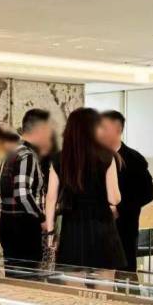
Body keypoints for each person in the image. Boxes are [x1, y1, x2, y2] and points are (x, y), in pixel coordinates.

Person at [44, 108, 126, 269]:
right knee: (104, 281)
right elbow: (114, 198)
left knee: (73, 280)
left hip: (72, 227)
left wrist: (50, 232)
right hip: (102, 226)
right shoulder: (107, 156)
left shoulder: (59, 158)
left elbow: (51, 198)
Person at [99, 110, 153, 270]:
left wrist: (120, 209)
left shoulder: (134, 159)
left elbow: (147, 193)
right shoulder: (93, 156)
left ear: (118, 130)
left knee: (124, 271)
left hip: (124, 227)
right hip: (96, 226)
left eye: (105, 127)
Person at [0, 109, 52, 262]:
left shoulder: (11, 152)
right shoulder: (27, 155)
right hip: (23, 227)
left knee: (14, 274)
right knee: (28, 274)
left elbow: (0, 186)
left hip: (7, 223)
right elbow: (22, 195)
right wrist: (42, 218)